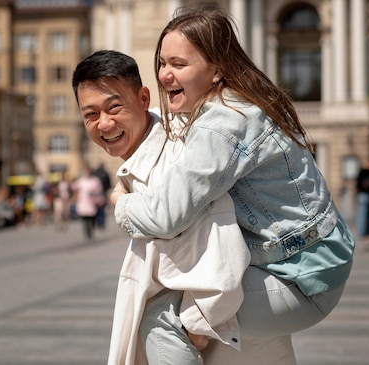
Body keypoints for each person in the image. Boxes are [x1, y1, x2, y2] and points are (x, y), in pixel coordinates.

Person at [109, 7, 355, 364]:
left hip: (300, 279)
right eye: (162, 63)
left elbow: (167, 216)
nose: (164, 74)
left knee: (163, 317)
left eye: (179, 64)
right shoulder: (236, 103)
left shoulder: (221, 125)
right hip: (313, 260)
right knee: (205, 315)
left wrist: (120, 202)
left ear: (217, 69)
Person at [73, 50, 265, 364]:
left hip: (218, 339)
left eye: (114, 107)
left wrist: (194, 326)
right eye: (90, 114)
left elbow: (223, 249)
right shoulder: (153, 154)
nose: (104, 123)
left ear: (143, 97)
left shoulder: (178, 160)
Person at [70, 164, 104, 240]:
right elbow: (74, 187)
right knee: (84, 218)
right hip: (83, 201)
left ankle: (91, 230)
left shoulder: (95, 180)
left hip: (92, 201)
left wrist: (95, 193)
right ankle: (87, 232)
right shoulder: (81, 180)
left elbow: (99, 189)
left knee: (92, 217)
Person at [92, 163, 111, 228]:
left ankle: (96, 222)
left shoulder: (94, 173)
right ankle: (102, 222)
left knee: (95, 208)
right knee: (102, 208)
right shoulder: (105, 173)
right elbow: (109, 184)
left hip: (95, 193)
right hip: (103, 192)